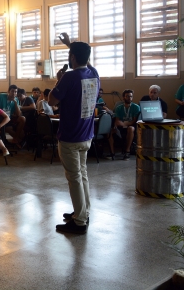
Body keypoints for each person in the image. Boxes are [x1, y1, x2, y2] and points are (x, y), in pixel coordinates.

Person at [47, 33, 99, 235]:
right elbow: (86, 60)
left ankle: (79, 222)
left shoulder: (69, 77)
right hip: (87, 135)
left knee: (74, 177)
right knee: (82, 174)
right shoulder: (94, 73)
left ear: (73, 58)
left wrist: (58, 81)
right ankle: (83, 211)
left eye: (70, 53)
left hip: (70, 136)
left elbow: (51, 101)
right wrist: (71, 44)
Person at [107, 89, 140, 161]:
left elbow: (134, 121)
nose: (129, 98)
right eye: (127, 96)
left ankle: (127, 152)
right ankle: (112, 153)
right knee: (109, 131)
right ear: (123, 97)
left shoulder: (136, 107)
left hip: (131, 126)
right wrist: (121, 124)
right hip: (121, 126)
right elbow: (117, 120)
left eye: (131, 96)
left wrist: (125, 123)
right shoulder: (119, 108)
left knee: (130, 128)